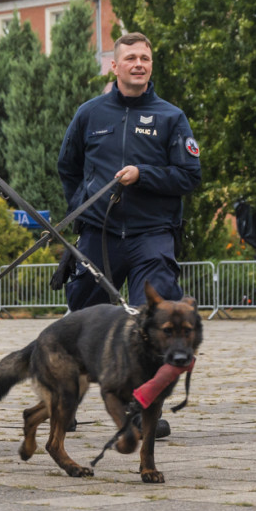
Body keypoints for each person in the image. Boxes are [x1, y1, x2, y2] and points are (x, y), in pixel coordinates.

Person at [57, 32, 202, 439]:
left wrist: (144, 175)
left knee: (149, 322)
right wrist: (81, 208)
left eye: (146, 58)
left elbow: (190, 176)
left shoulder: (171, 117)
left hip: (151, 236)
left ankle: (142, 408)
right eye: (131, 58)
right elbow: (67, 167)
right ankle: (66, 403)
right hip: (98, 234)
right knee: (82, 320)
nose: (139, 64)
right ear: (114, 66)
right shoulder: (89, 114)